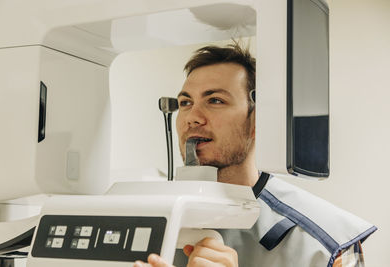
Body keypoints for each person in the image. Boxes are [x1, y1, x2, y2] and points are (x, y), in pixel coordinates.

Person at [133, 43, 376, 267]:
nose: (192, 117)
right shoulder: (141, 222)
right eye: (185, 103)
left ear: (259, 120)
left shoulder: (325, 246)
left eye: (215, 100)